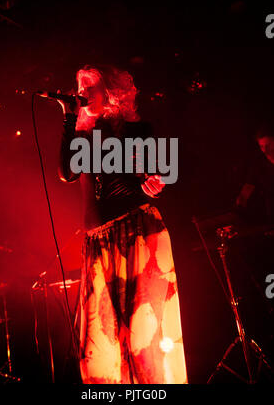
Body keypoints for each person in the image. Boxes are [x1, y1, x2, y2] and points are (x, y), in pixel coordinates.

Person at [58, 64, 187, 384]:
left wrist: (153, 182)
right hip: (98, 240)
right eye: (80, 85)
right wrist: (68, 117)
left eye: (91, 85)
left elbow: (150, 174)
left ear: (111, 91)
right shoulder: (83, 135)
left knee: (143, 336)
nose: (83, 91)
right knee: (102, 340)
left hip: (135, 231)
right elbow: (67, 172)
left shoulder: (133, 129)